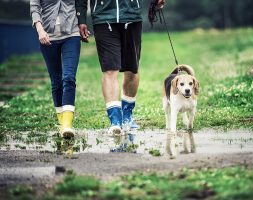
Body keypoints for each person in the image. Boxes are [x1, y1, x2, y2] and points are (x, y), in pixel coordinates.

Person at [75, 0, 165, 135]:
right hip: (103, 18)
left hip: (131, 17)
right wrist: (81, 19)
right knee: (109, 70)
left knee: (132, 70)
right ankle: (115, 121)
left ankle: (127, 115)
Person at [30, 0, 81, 138]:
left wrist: (82, 22)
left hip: (71, 34)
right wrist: (40, 31)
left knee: (69, 77)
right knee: (56, 81)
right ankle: (62, 122)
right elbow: (35, 8)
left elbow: (80, 4)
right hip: (47, 37)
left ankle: (67, 125)